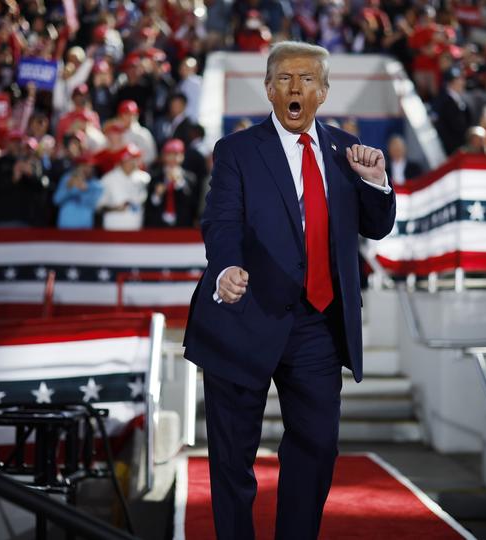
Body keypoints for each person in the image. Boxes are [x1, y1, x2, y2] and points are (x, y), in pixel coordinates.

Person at [182, 41, 395, 540]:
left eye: (305, 80)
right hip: (242, 318)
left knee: (318, 448)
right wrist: (226, 267)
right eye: (283, 78)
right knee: (232, 460)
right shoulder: (236, 151)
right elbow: (221, 222)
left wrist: (377, 181)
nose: (294, 88)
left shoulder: (348, 152)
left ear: (322, 91)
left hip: (317, 324)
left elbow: (377, 226)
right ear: (268, 89)